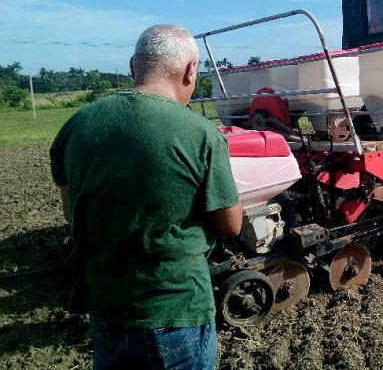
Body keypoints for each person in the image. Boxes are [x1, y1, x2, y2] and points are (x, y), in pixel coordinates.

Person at [50, 24, 243, 369]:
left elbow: (71, 211)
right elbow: (231, 225)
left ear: (132, 65)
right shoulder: (200, 133)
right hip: (175, 311)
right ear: (190, 71)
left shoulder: (78, 124)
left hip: (105, 307)